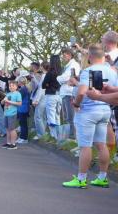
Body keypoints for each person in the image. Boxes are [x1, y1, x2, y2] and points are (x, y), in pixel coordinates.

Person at [62, 44, 117, 189]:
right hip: (105, 109)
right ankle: (102, 178)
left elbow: (82, 92)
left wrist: (76, 104)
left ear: (90, 56)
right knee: (101, 144)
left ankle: (81, 179)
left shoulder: (88, 70)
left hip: (88, 111)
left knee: (85, 146)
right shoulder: (112, 71)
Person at [57, 47, 80, 141]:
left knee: (71, 116)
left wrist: (59, 78)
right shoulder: (68, 65)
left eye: (64, 55)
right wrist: (62, 79)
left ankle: (72, 136)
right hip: (65, 92)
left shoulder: (74, 64)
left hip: (70, 92)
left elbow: (66, 77)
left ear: (70, 55)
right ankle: (69, 136)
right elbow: (64, 78)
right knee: (67, 116)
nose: (63, 57)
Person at [43, 56, 62, 140]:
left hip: (51, 95)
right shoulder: (62, 72)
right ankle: (59, 134)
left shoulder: (50, 73)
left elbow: (43, 85)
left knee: (51, 116)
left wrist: (48, 85)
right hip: (60, 94)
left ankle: (53, 135)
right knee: (57, 115)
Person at [1, 80, 22, 150]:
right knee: (7, 129)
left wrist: (8, 101)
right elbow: (2, 103)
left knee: (12, 129)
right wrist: (3, 100)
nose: (11, 87)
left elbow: (19, 103)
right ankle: (8, 143)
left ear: (16, 87)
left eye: (13, 86)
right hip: (6, 113)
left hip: (12, 113)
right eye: (10, 86)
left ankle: (13, 144)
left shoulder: (18, 94)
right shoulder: (8, 94)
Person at [15, 76, 31, 144]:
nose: (17, 82)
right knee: (22, 123)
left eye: (18, 81)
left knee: (23, 124)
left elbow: (18, 98)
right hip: (22, 108)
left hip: (23, 108)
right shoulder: (24, 89)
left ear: (21, 82)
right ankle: (22, 137)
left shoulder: (23, 89)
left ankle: (24, 138)